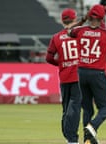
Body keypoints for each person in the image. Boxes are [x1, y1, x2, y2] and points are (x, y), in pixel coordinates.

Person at [68, 4, 106, 144]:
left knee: (87, 109)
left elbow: (69, 31)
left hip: (81, 73)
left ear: (90, 16)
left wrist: (83, 19)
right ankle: (92, 126)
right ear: (101, 18)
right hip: (97, 73)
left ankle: (87, 140)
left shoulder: (80, 30)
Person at [45, 8, 84, 144]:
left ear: (62, 21)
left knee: (66, 107)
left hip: (64, 76)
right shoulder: (81, 34)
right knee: (75, 108)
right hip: (79, 76)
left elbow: (49, 57)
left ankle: (68, 135)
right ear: (74, 19)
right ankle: (72, 139)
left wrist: (61, 64)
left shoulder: (56, 37)